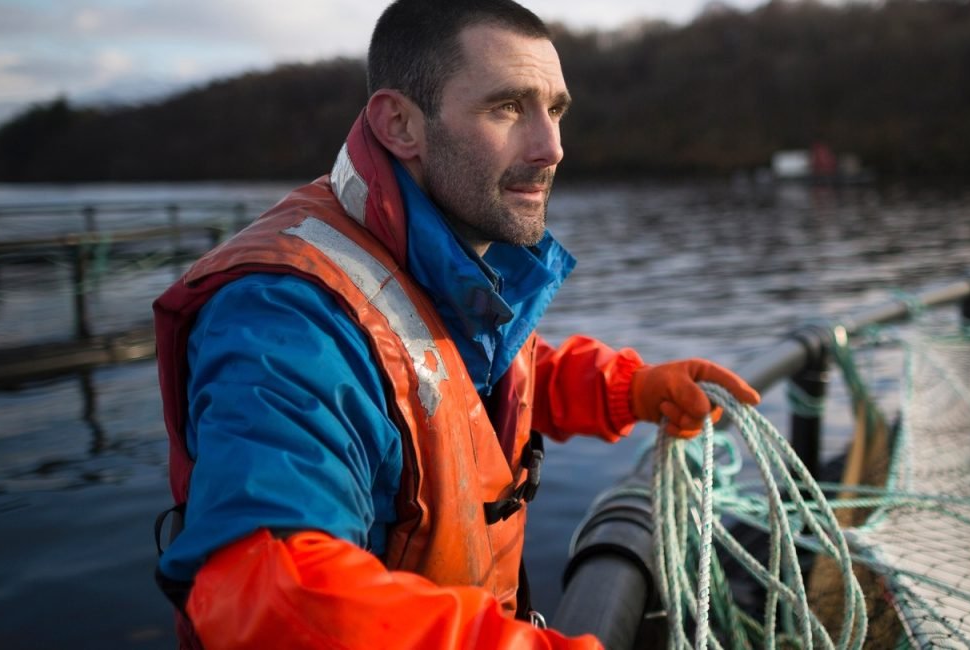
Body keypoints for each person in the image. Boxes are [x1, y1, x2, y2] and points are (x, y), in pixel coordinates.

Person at [150, 0, 759, 648]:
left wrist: (626, 389)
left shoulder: (427, 247)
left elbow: (465, 377)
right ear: (400, 125)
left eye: (555, 110)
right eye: (507, 108)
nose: (552, 146)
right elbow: (270, 594)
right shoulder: (283, 315)